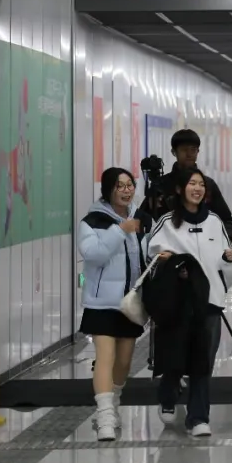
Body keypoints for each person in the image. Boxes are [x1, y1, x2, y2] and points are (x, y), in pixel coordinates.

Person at [147, 168, 232, 438]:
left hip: (208, 302)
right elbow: (151, 255)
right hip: (177, 303)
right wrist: (171, 265)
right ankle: (168, 393)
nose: (197, 188)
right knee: (176, 355)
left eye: (201, 184)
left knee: (202, 361)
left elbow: (225, 261)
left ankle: (198, 417)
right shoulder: (166, 222)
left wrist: (229, 263)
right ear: (179, 189)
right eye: (191, 183)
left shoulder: (214, 222)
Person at [77, 168, 150, 441]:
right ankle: (105, 415)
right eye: (120, 186)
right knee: (105, 358)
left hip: (129, 304)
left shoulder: (139, 219)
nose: (126, 190)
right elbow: (93, 254)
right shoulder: (92, 221)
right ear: (108, 189)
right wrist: (119, 231)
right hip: (101, 303)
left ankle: (113, 401)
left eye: (130, 185)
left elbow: (146, 254)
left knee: (124, 360)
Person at [156, 128, 232, 238]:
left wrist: (216, 242)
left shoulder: (208, 184)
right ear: (174, 152)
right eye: (184, 149)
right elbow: (147, 221)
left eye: (193, 150)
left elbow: (227, 221)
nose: (189, 154)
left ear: (198, 152)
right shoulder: (161, 185)